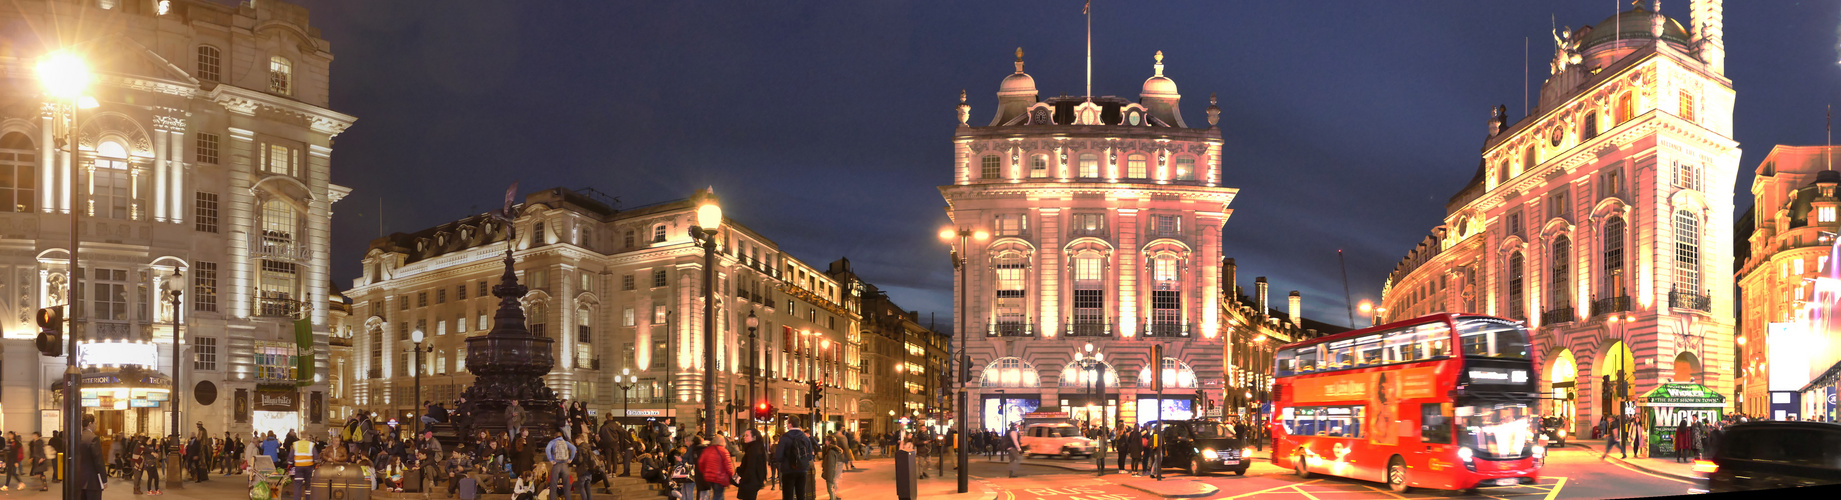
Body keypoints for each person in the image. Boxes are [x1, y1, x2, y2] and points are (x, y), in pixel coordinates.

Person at [772, 417, 815, 500]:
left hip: (788, 470)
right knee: (801, 494)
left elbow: (778, 456)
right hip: (802, 470)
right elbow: (810, 456)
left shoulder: (784, 438)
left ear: (790, 424)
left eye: (787, 422)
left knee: (788, 495)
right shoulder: (805, 438)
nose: (786, 424)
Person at [76, 414, 105, 500]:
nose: (96, 425)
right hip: (92, 481)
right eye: (95, 423)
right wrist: (104, 479)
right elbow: (98, 461)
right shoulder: (93, 438)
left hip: (79, 480)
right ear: (90, 424)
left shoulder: (78, 437)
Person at [698, 435, 734, 500]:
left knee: (717, 493)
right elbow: (728, 466)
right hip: (719, 477)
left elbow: (701, 463)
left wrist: (705, 472)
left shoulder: (707, 450)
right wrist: (732, 476)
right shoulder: (724, 451)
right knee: (718, 494)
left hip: (709, 477)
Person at [546, 426, 577, 499]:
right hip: (565, 466)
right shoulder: (565, 442)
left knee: (553, 487)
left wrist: (551, 459)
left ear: (555, 436)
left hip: (556, 465)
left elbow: (547, 449)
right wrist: (570, 459)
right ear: (562, 436)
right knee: (566, 487)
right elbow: (574, 448)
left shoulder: (552, 442)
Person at [736, 429, 767, 500]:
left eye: (747, 436)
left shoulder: (753, 450)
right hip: (753, 481)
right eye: (744, 435)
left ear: (754, 437)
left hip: (750, 482)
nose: (744, 437)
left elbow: (750, 467)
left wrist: (743, 480)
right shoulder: (755, 448)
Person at [819, 433, 842, 500]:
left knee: (830, 489)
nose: (825, 441)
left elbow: (831, 465)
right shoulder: (829, 450)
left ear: (830, 442)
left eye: (826, 440)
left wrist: (829, 476)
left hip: (830, 473)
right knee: (831, 489)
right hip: (830, 473)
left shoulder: (831, 452)